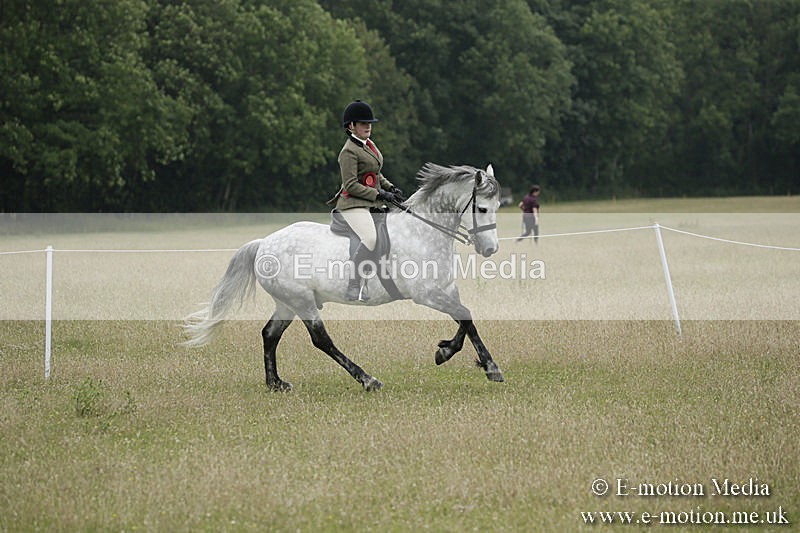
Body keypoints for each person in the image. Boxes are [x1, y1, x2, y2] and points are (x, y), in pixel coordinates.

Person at [328, 100, 404, 301]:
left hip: (370, 201)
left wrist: (390, 188)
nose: (368, 126)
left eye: (369, 123)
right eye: (363, 123)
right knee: (370, 238)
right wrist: (379, 195)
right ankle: (354, 284)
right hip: (353, 204)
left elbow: (375, 174)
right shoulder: (348, 152)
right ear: (351, 126)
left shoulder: (369, 144)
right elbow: (351, 185)